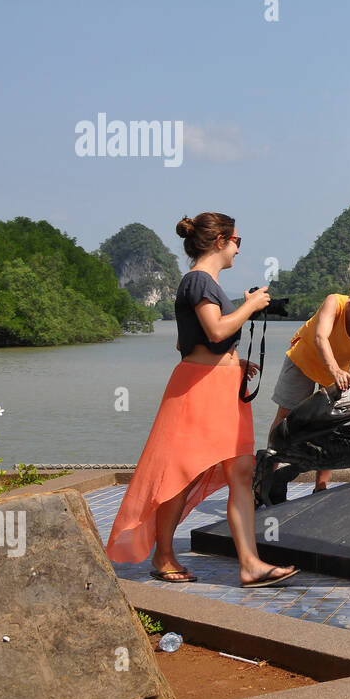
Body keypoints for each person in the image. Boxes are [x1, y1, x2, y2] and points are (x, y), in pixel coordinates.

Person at [106, 212, 298, 588]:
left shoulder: (210, 286)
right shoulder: (197, 281)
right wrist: (251, 307)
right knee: (180, 473)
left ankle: (250, 563)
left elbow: (190, 341)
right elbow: (214, 329)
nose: (239, 250)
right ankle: (162, 555)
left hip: (223, 387)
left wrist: (233, 360)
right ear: (220, 241)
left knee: (242, 473)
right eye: (237, 242)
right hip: (199, 390)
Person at [268, 278, 350, 492]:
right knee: (285, 417)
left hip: (341, 370)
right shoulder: (335, 302)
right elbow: (321, 337)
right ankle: (265, 478)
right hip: (305, 359)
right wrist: (334, 370)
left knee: (332, 426)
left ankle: (321, 486)